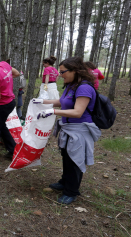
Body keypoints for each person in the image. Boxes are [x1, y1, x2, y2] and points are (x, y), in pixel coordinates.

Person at [34, 57, 101, 205]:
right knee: (66, 156)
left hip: (80, 130)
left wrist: (53, 112)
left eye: (63, 71)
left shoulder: (84, 87)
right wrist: (42, 102)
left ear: (75, 71)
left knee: (75, 160)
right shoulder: (71, 85)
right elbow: (62, 102)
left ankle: (72, 191)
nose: (60, 74)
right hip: (68, 128)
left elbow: (78, 111)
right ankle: (65, 181)